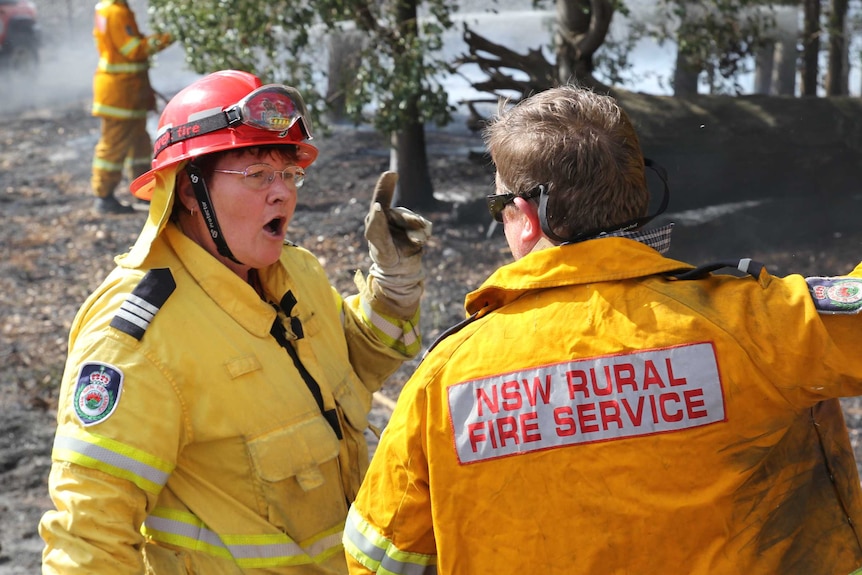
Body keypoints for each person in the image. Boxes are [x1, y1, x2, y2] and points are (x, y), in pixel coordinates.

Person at [342, 84, 862, 575]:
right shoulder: (756, 323)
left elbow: (376, 558)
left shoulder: (444, 380)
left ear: (526, 216)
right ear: (638, 194)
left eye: (499, 206)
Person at [40, 69, 432, 574]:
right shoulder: (137, 340)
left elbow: (345, 368)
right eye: (256, 175)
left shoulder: (296, 272)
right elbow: (88, 543)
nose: (283, 195)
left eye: (289, 174)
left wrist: (393, 287)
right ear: (188, 189)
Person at [90, 0, 173, 214]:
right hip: (120, 94)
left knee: (140, 145)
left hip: (130, 91)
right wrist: (166, 38)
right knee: (113, 146)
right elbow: (134, 50)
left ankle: (144, 192)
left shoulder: (111, 8)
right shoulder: (116, 12)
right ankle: (103, 196)